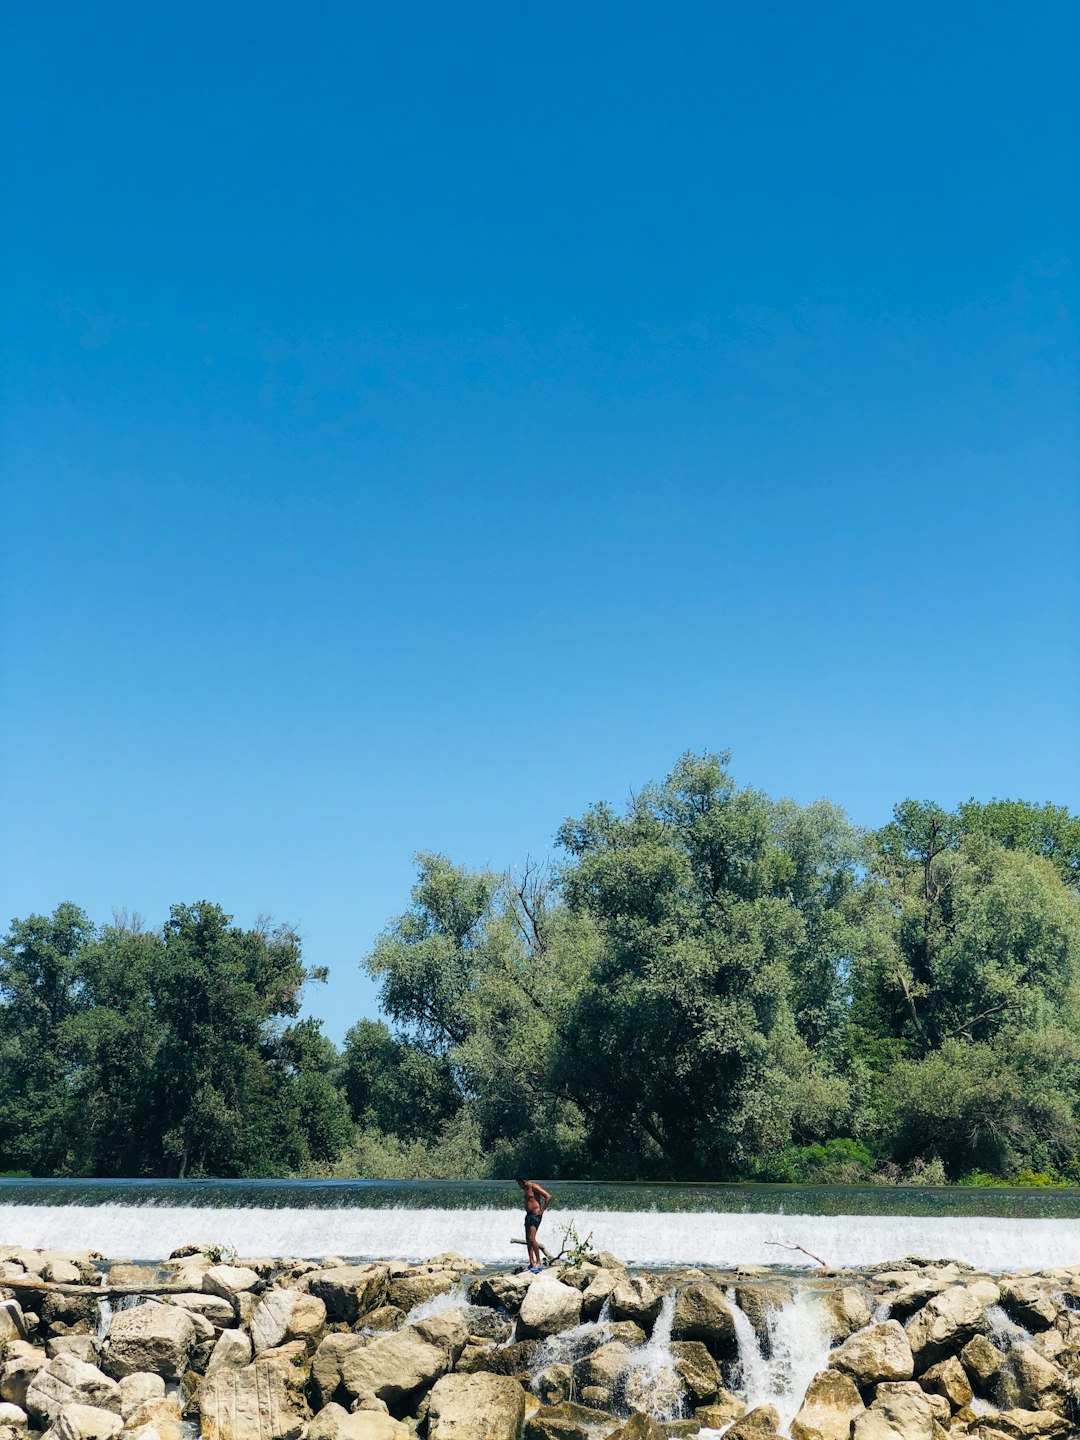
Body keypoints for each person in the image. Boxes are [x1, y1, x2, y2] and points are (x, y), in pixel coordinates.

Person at [516, 1176, 552, 1271]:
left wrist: (542, 1211)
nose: (519, 1186)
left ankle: (539, 1262)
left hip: (535, 1216)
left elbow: (548, 1196)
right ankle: (531, 1263)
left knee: (532, 1239)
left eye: (519, 1183)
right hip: (528, 1215)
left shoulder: (534, 1186)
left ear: (523, 1181)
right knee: (528, 1239)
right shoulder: (526, 1188)